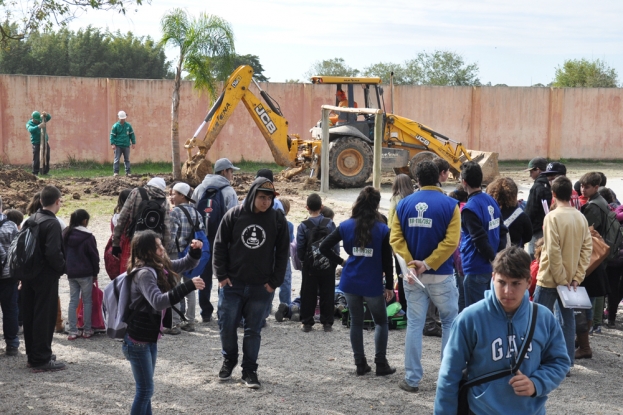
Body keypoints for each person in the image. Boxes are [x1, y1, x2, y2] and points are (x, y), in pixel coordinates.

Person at [434, 246, 570, 415]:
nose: (508, 291)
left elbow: (559, 361)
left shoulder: (544, 318)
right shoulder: (470, 318)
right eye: (502, 282)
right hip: (481, 410)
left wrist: (537, 383)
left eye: (516, 283)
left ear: (528, 282)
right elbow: (449, 373)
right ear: (493, 278)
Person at [390, 160, 461, 393]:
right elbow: (451, 242)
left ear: (417, 180)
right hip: (441, 275)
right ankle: (447, 379)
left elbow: (396, 239)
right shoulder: (451, 205)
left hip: (412, 276)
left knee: (414, 325)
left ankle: (412, 379)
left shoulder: (402, 205)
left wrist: (413, 264)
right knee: (450, 321)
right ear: (440, 177)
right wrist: (428, 264)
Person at [213, 178, 289, 389]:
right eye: (262, 197)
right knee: (226, 326)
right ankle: (229, 359)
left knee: (253, 330)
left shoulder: (277, 219)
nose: (266, 202)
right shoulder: (234, 215)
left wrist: (274, 282)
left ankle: (250, 370)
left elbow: (283, 253)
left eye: (270, 198)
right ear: (253, 195)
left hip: (261, 287)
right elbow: (219, 245)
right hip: (232, 284)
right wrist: (221, 275)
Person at [122, 230, 205, 414]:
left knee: (146, 391)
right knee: (145, 391)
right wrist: (188, 286)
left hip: (149, 338)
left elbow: (186, 263)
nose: (162, 248)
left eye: (161, 244)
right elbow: (158, 302)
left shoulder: (159, 266)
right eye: (157, 246)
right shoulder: (144, 273)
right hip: (137, 342)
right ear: (146, 251)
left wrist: (195, 250)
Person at [319, 186, 396, 376]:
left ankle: (360, 364)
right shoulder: (383, 229)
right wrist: (389, 286)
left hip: (351, 281)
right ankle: (380, 363)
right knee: (381, 321)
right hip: (372, 283)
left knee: (355, 322)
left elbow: (323, 247)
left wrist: (342, 262)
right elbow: (388, 260)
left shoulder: (345, 225)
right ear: (377, 205)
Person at [533, 176, 592, 367]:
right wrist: (576, 276)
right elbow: (587, 249)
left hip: (551, 277)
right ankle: (565, 363)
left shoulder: (552, 217)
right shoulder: (581, 217)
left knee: (537, 318)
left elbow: (552, 249)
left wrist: (560, 278)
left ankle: (533, 359)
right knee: (568, 322)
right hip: (571, 281)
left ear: (554, 194)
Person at [22, 186, 66, 372]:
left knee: (30, 315)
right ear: (57, 201)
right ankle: (41, 359)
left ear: (40, 201)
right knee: (44, 317)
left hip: (28, 274)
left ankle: (34, 355)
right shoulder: (52, 223)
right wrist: (63, 267)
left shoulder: (31, 219)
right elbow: (53, 252)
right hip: (45, 276)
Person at [192, 158, 239, 323]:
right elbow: (234, 218)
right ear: (224, 171)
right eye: (231, 171)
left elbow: (192, 212)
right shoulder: (229, 192)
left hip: (202, 240)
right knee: (222, 275)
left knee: (203, 276)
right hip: (222, 241)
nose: (232, 175)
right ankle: (222, 311)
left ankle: (205, 313)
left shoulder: (200, 188)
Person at [459, 161, 507, 307]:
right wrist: (498, 256)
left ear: (463, 182)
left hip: (476, 267)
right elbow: (502, 230)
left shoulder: (469, 209)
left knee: (476, 314)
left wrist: (493, 258)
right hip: (490, 266)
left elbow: (479, 239)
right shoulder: (490, 200)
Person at [577, 172, 612, 359]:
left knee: (587, 299)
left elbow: (587, 231)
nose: (583, 189)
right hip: (600, 253)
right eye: (582, 186)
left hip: (593, 255)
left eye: (587, 186)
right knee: (590, 298)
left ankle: (584, 341)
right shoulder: (601, 202)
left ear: (596, 187)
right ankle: (585, 337)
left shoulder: (593, 206)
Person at [296, 193, 340, 332]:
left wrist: (304, 260)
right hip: (328, 263)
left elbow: (300, 247)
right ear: (321, 207)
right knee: (327, 291)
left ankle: (307, 322)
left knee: (308, 292)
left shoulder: (303, 226)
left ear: (307, 207)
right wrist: (334, 260)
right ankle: (327, 322)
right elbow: (336, 244)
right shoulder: (329, 223)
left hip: (310, 265)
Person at [167, 182, 205, 333]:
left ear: (182, 196)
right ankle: (190, 321)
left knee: (174, 288)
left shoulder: (175, 212)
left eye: (174, 193)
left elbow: (171, 238)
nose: (171, 196)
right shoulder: (196, 212)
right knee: (191, 288)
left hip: (177, 254)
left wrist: (165, 254)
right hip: (193, 254)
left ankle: (175, 324)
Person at [112, 177, 171, 259]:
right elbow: (167, 228)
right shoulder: (165, 202)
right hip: (155, 243)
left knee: (136, 265)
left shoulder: (136, 192)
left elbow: (122, 218)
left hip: (136, 239)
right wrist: (165, 249)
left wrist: (116, 243)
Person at [63, 209, 100, 340]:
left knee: (73, 301)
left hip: (71, 272)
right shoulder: (88, 236)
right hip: (86, 273)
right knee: (87, 301)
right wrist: (96, 272)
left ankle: (73, 331)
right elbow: (94, 257)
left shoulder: (66, 234)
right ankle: (87, 329)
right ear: (85, 221)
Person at [388, 174, 414, 314]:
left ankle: (404, 306)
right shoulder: (413, 199)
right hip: (413, 242)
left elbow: (391, 223)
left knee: (401, 274)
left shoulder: (395, 200)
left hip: (399, 244)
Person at [486, 177, 533, 247]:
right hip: (514, 254)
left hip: (494, 254)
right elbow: (528, 237)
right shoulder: (521, 216)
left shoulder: (489, 213)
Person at [0, 196, 20, 356]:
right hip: (7, 275)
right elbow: (18, 250)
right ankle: (12, 344)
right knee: (10, 309)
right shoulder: (10, 226)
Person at [524, 157, 552, 257]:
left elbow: (530, 210)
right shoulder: (551, 184)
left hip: (536, 229)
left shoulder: (537, 187)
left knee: (534, 256)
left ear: (538, 169)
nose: (530, 175)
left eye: (531, 171)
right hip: (549, 226)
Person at [110, 110, 136, 177]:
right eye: (121, 118)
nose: (122, 120)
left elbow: (132, 134)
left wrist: (133, 142)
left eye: (123, 118)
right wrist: (112, 144)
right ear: (118, 118)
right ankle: (116, 172)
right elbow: (112, 135)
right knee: (116, 159)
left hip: (126, 145)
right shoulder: (115, 126)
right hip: (118, 145)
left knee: (126, 159)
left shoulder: (128, 126)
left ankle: (128, 172)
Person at [26, 111, 51, 176]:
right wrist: (38, 126)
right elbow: (30, 130)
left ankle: (45, 171)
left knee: (46, 156)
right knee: (36, 158)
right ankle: (35, 172)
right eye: (36, 120)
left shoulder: (41, 120)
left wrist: (46, 115)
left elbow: (49, 117)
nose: (37, 121)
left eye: (38, 120)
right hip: (36, 143)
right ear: (33, 118)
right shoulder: (29, 123)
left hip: (44, 141)